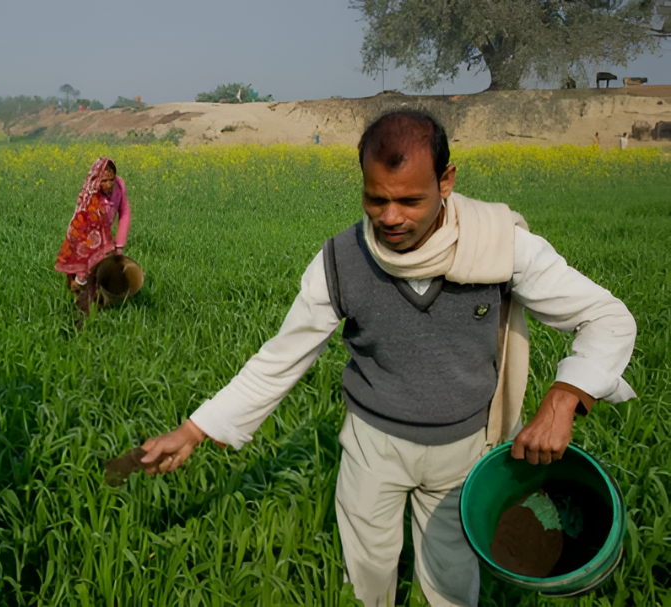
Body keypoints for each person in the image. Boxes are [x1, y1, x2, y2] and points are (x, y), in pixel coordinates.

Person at [140, 111, 636, 606]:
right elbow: (281, 359)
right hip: (371, 446)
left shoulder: (501, 246)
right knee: (367, 572)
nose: (390, 217)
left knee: (451, 577)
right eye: (375, 199)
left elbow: (608, 317)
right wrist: (196, 429)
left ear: (446, 181)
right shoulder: (341, 262)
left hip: (464, 448)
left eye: (409, 200)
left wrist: (564, 398)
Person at [55, 157, 131, 313]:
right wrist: (81, 277)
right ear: (97, 180)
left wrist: (119, 246)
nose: (109, 184)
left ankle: (100, 311)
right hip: (83, 239)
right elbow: (87, 247)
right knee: (82, 283)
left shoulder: (118, 186)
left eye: (111, 179)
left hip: (102, 237)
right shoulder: (92, 199)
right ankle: (80, 314)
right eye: (104, 181)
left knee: (101, 277)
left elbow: (125, 212)